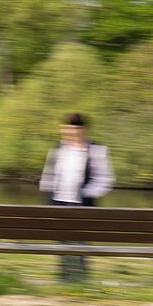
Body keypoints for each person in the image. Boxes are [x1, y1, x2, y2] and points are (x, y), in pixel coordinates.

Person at [39, 112, 115, 280]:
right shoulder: (57, 150)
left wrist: (84, 193)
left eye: (76, 130)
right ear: (63, 129)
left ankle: (80, 278)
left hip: (83, 205)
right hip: (58, 203)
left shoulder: (96, 151)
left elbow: (105, 179)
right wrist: (50, 196)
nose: (72, 134)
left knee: (81, 244)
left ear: (84, 130)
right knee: (61, 244)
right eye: (68, 130)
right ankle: (64, 276)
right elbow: (48, 176)